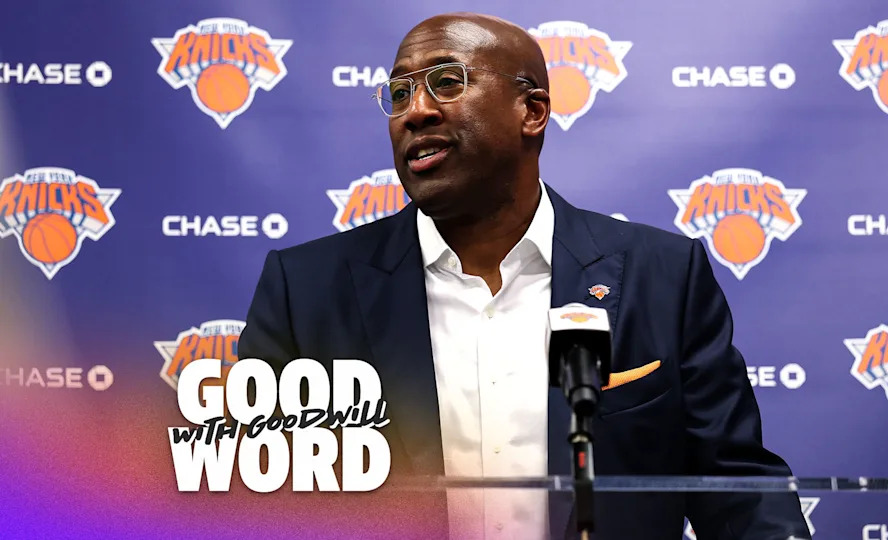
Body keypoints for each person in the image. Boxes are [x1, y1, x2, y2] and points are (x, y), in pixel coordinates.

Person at [238, 12, 811, 540]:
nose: (415, 111)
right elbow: (256, 500)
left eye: (446, 81)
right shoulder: (305, 289)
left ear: (531, 112)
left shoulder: (662, 276)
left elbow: (737, 491)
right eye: (399, 92)